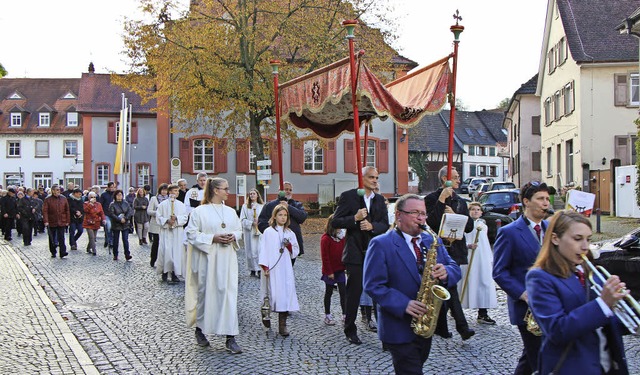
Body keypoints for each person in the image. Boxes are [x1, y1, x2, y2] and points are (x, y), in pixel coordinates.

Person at [363, 194, 461, 375]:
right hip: (398, 327)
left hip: (425, 325)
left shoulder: (432, 240)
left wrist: (447, 272)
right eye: (415, 213)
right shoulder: (381, 244)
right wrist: (404, 304)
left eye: (423, 214)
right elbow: (373, 285)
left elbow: (454, 266)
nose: (421, 218)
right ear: (399, 215)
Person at [526, 210, 629, 375]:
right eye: (577, 239)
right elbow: (557, 330)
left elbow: (605, 323)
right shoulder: (540, 277)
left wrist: (623, 313)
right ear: (555, 238)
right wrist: (603, 303)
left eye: (588, 239)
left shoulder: (590, 271)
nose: (585, 246)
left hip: (606, 366)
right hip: (571, 368)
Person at [493, 180, 551, 375]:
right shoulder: (508, 232)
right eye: (541, 199)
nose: (546, 203)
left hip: (550, 304)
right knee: (540, 360)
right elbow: (499, 272)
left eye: (547, 199)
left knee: (530, 358)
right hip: (526, 309)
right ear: (526, 201)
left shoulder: (552, 228)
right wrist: (523, 294)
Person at [184, 177, 243, 354]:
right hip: (208, 261)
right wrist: (213, 238)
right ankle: (200, 330)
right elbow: (191, 234)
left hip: (227, 260)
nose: (228, 191)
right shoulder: (200, 212)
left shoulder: (231, 212)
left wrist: (233, 236)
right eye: (225, 188)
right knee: (206, 294)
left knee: (228, 296)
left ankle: (230, 337)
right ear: (216, 190)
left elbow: (239, 230)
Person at [331, 166, 389, 345]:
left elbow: (385, 224)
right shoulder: (349, 196)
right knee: (354, 293)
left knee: (379, 292)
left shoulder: (379, 200)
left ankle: (385, 333)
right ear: (361, 178)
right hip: (355, 252)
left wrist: (373, 227)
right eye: (371, 177)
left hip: (375, 253)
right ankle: (350, 328)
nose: (374, 180)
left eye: (376, 177)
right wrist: (354, 219)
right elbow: (335, 221)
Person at [424, 166, 475, 340]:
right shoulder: (431, 198)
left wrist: (456, 216)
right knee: (449, 287)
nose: (459, 180)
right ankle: (461, 326)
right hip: (439, 249)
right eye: (455, 177)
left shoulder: (460, 201)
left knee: (449, 287)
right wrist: (441, 200)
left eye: (458, 177)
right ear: (445, 178)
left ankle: (442, 326)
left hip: (456, 249)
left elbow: (469, 227)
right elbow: (431, 222)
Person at [259, 204, 300, 337]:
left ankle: (282, 324)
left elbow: (296, 250)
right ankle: (266, 315)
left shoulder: (290, 233)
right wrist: (265, 267)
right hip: (271, 268)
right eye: (280, 215)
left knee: (285, 294)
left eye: (285, 215)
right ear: (275, 216)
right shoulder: (268, 232)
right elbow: (263, 249)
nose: (283, 218)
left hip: (285, 268)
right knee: (271, 293)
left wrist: (288, 247)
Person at [458, 202, 497, 324]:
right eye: (473, 209)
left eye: (478, 209)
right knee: (465, 282)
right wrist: (467, 245)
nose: (475, 211)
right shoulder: (464, 224)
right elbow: (458, 239)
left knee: (483, 283)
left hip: (482, 259)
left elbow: (485, 243)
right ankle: (456, 311)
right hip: (469, 258)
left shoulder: (483, 225)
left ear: (481, 212)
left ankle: (483, 313)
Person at [258, 181, 307, 265]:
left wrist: (289, 207)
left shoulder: (296, 204)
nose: (288, 191)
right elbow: (261, 223)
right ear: (279, 191)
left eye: (290, 190)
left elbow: (302, 217)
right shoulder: (270, 205)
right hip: (274, 244)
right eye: (286, 189)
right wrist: (273, 233)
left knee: (289, 268)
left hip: (290, 242)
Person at [156, 184, 188, 282]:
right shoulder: (162, 204)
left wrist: (177, 219)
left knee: (176, 252)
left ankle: (174, 273)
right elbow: (158, 216)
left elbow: (185, 217)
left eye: (178, 191)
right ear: (169, 192)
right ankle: (165, 272)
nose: (176, 193)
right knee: (166, 251)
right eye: (174, 191)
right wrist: (166, 220)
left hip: (177, 232)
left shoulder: (181, 205)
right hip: (166, 231)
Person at [320, 215, 346, 326]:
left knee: (343, 293)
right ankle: (327, 315)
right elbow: (325, 257)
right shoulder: (326, 239)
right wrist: (329, 271)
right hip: (330, 270)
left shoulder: (343, 237)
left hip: (340, 269)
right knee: (329, 292)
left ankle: (345, 314)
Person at [239, 188, 264, 277]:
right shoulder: (245, 206)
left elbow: (265, 218)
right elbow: (242, 219)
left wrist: (259, 222)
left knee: (259, 250)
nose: (252, 195)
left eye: (254, 193)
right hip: (249, 232)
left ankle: (260, 270)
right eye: (250, 194)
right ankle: (252, 269)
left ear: (257, 195)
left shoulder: (262, 206)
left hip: (259, 231)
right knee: (250, 251)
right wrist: (251, 223)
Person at [43, 185, 70, 258]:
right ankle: (53, 251)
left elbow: (67, 210)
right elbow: (45, 211)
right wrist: (46, 221)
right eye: (57, 190)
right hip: (52, 220)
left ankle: (63, 252)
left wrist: (67, 220)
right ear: (53, 191)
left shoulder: (63, 198)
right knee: (52, 237)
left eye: (59, 190)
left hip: (61, 220)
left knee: (61, 237)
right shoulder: (48, 199)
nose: (58, 191)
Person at [107, 189, 133, 261]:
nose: (119, 196)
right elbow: (111, 214)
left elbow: (129, 211)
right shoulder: (112, 204)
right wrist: (119, 219)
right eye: (118, 195)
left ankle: (127, 254)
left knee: (125, 240)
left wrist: (125, 218)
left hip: (125, 224)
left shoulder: (126, 203)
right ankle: (115, 254)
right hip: (116, 224)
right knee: (116, 240)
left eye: (120, 195)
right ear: (115, 196)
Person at [148, 184, 169, 267]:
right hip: (156, 224)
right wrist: (158, 213)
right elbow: (149, 211)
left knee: (165, 244)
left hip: (166, 224)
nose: (164, 192)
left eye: (165, 190)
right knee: (156, 242)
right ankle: (153, 259)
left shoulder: (169, 200)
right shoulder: (154, 199)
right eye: (162, 190)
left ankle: (163, 261)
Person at [99, 182, 115, 251]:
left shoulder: (115, 194)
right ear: (108, 187)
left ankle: (109, 240)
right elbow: (100, 205)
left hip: (114, 214)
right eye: (111, 187)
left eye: (113, 187)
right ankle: (109, 241)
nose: (112, 188)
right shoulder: (104, 195)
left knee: (113, 228)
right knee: (108, 227)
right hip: (106, 213)